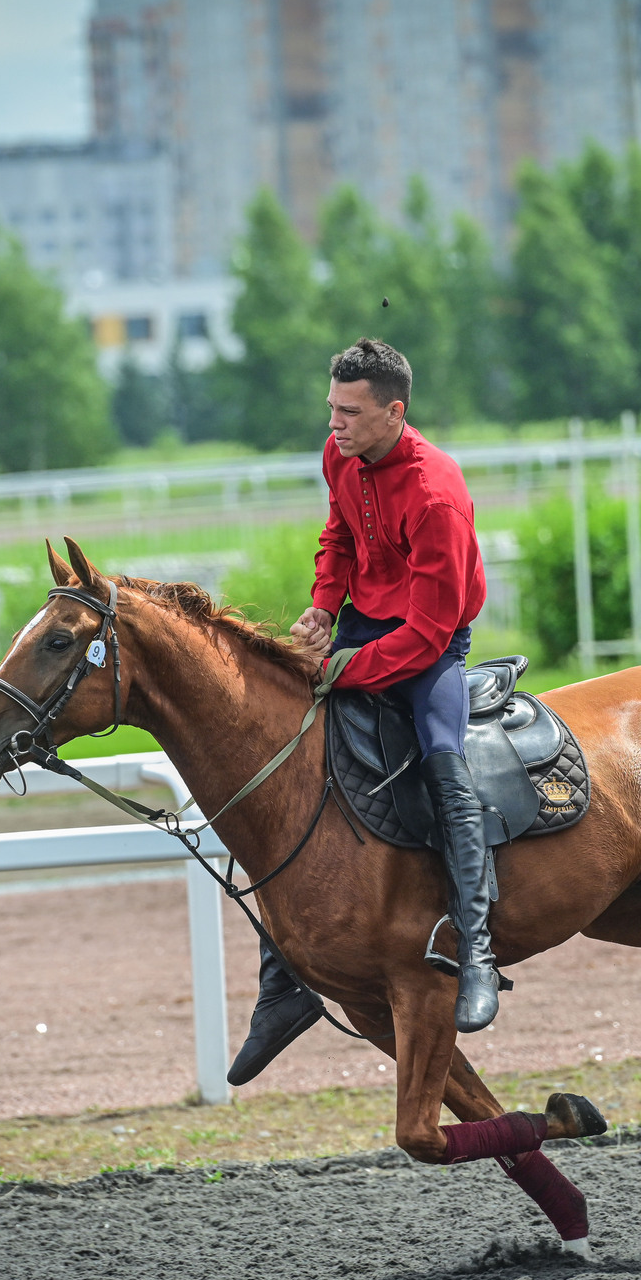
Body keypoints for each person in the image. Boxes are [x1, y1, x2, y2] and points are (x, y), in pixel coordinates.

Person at [226, 337, 495, 1087]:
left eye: (350, 411)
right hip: (362, 629)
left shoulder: (437, 490)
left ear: (394, 411)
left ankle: (476, 953)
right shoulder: (338, 453)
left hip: (429, 646)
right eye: (331, 408)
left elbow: (431, 633)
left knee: (446, 765)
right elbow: (338, 537)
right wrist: (321, 608)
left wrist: (347, 669)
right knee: (288, 775)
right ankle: (283, 989)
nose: (335, 423)